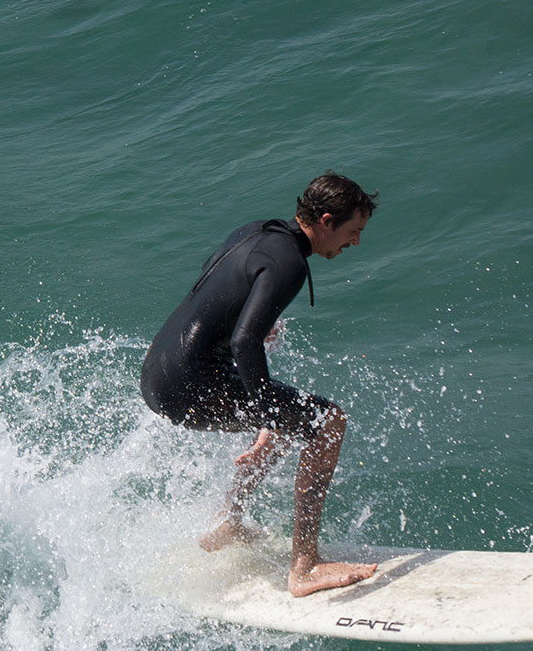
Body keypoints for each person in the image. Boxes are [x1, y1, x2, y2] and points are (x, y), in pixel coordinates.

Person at [140, 171, 379, 597]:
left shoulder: (259, 232)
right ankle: (304, 567)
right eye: (353, 231)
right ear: (326, 220)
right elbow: (245, 340)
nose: (355, 242)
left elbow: (215, 279)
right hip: (189, 383)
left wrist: (255, 319)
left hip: (160, 369)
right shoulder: (290, 263)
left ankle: (228, 522)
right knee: (327, 423)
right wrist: (266, 415)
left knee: (290, 416)